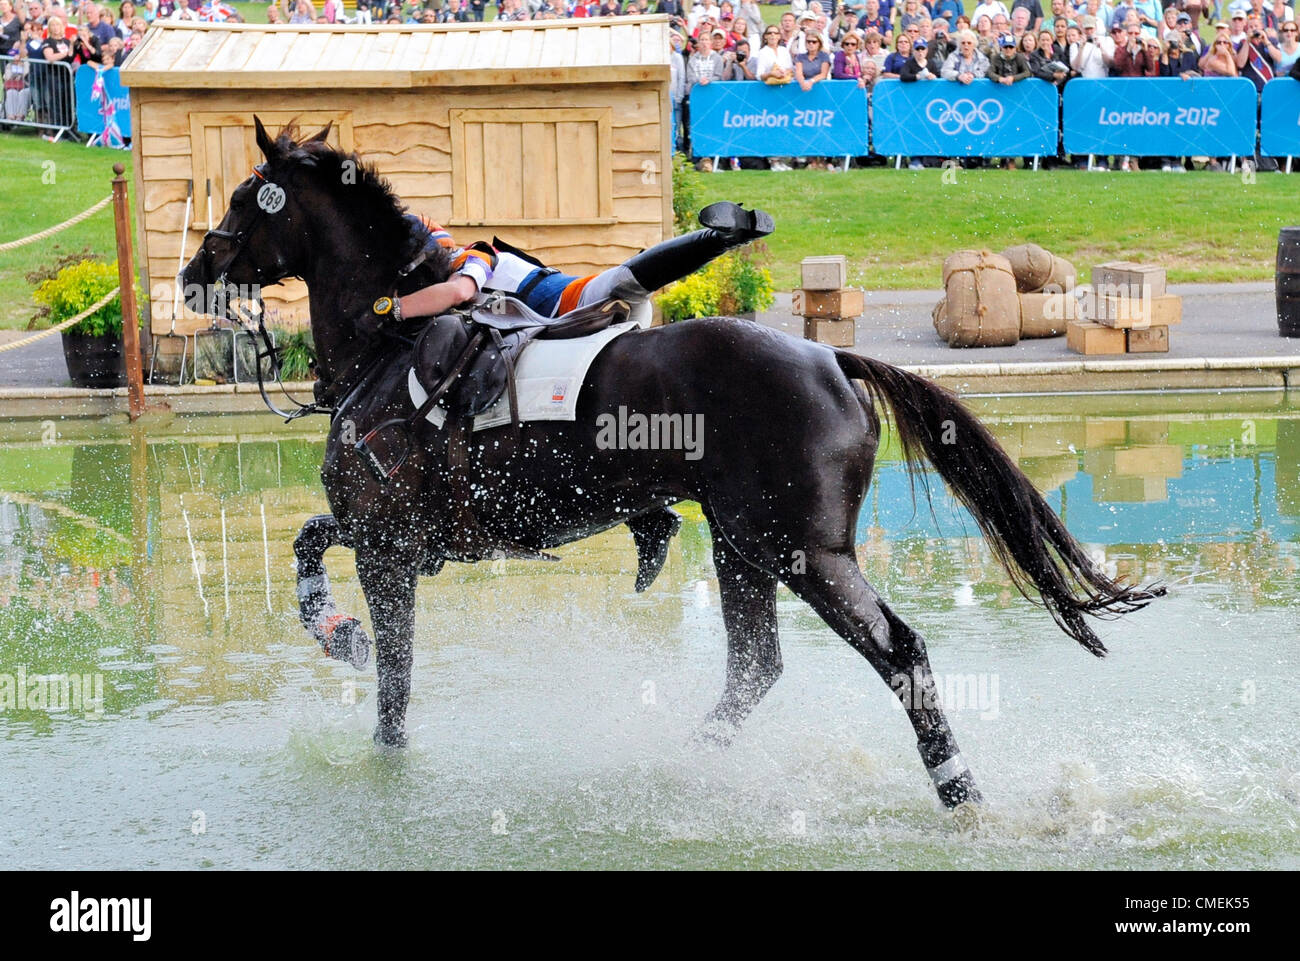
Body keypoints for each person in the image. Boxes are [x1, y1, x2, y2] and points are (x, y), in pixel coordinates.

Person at [390, 202, 774, 332]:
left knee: (627, 279)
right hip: (564, 317)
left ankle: (723, 238)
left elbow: (459, 292)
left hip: (576, 306)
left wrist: (391, 309)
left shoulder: (471, 255)